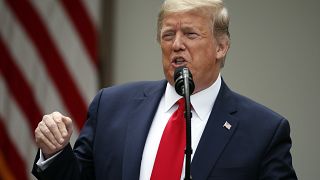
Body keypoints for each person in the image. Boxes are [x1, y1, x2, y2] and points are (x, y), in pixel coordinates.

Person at [32, 0, 297, 179]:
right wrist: (54, 153)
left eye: (191, 35)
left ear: (221, 47)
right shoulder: (111, 106)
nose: (177, 45)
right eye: (168, 35)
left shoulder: (263, 131)